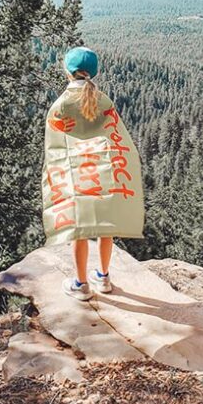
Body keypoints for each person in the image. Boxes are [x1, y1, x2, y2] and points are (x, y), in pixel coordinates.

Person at [42, 46, 144, 301]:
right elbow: (116, 135)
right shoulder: (104, 100)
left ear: (67, 71)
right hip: (104, 171)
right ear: (94, 72)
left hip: (78, 175)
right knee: (105, 227)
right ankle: (104, 277)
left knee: (81, 230)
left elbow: (56, 145)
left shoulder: (61, 104)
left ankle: (81, 284)